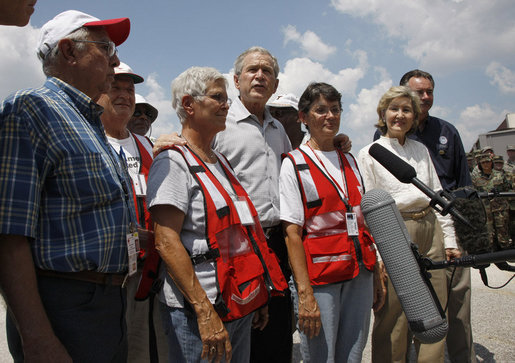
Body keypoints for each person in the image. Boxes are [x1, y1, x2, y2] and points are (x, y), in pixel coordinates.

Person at [0, 10, 134, 362]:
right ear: (69, 52)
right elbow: (9, 234)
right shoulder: (30, 110)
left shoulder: (90, 123)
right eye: (105, 47)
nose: (115, 59)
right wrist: (37, 337)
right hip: (64, 306)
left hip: (107, 303)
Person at [146, 66, 287, 363]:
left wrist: (256, 294)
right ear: (189, 105)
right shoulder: (172, 162)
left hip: (236, 301)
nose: (226, 104)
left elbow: (241, 233)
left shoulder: (220, 160)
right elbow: (166, 241)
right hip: (198, 311)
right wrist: (203, 310)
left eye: (225, 98)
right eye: (217, 97)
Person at [374, 69, 475, 363]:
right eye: (395, 108)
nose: (401, 115)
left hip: (433, 227)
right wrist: (379, 256)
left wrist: (451, 238)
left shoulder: (424, 148)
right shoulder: (372, 152)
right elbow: (369, 206)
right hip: (395, 230)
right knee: (394, 317)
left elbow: (439, 197)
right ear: (383, 113)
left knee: (436, 311)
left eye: (407, 109)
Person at [280, 82, 384, 362]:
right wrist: (304, 295)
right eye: (320, 110)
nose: (329, 116)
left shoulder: (350, 159)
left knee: (353, 353)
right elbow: (292, 233)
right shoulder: (294, 164)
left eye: (335, 110)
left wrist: (374, 273)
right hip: (321, 279)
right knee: (321, 355)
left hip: (358, 272)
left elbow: (363, 222)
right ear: (303, 117)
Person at [97, 61, 168, 362]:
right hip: (107, 274)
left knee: (150, 347)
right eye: (117, 88)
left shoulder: (149, 145)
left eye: (130, 89)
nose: (125, 95)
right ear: (100, 90)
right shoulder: (91, 140)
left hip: (150, 269)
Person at [471, 153, 513, 250]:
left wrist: (500, 191)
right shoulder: (476, 178)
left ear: (491, 163)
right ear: (480, 164)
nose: (486, 164)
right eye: (483, 162)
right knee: (488, 231)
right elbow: (474, 192)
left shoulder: (500, 174)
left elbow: (509, 188)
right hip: (486, 209)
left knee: (502, 229)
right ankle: (491, 251)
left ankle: (505, 250)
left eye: (488, 162)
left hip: (500, 208)